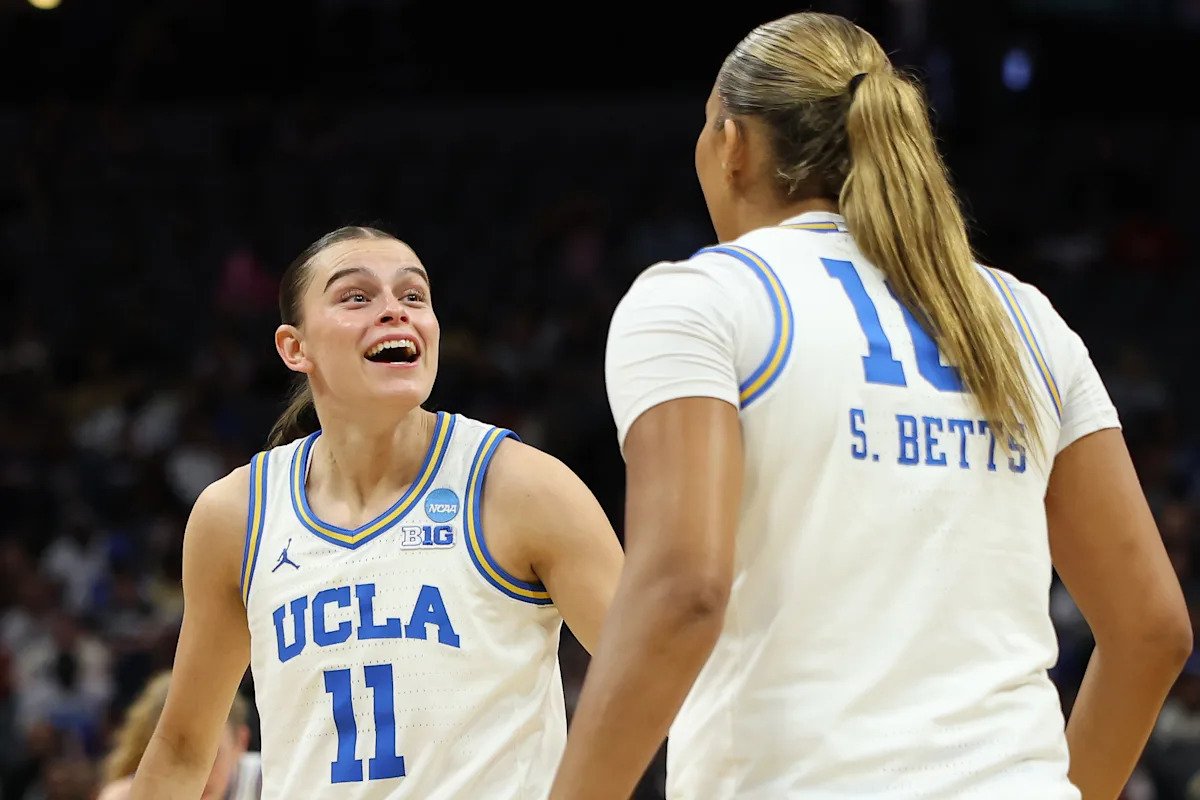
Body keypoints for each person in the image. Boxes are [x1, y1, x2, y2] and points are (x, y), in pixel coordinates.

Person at [551, 11, 1192, 800]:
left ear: (733, 145)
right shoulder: (1023, 315)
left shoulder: (700, 299)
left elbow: (683, 590)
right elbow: (1153, 630)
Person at [130, 225, 623, 799]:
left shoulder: (519, 487)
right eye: (356, 297)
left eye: (413, 296)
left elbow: (660, 671)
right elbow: (184, 748)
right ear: (295, 348)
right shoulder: (236, 515)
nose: (395, 311)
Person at [98, 671, 261, 800]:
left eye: (212, 756)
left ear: (241, 742)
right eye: (177, 756)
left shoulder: (272, 780)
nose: (198, 775)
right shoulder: (127, 795)